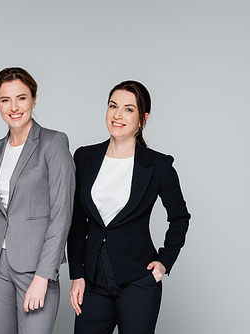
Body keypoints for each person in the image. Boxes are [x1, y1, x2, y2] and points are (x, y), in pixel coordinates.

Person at [67, 80, 191, 334]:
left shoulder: (159, 166)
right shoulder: (84, 158)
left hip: (138, 280)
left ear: (143, 118)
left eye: (128, 109)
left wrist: (164, 261)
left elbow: (180, 217)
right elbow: (77, 221)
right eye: (113, 106)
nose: (118, 115)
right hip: (92, 281)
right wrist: (76, 274)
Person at [0, 67, 75, 334]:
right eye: (5, 100)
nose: (14, 107)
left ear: (33, 100)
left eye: (22, 98)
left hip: (34, 266)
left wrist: (44, 275)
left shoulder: (53, 142)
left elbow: (62, 214)